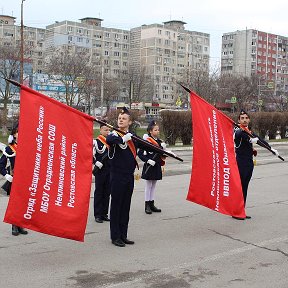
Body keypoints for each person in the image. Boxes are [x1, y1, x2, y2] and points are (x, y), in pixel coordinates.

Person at [106, 107, 148, 247]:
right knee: (116, 206)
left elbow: (144, 146)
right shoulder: (114, 134)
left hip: (129, 177)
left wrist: (162, 150)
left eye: (124, 119)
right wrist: (123, 138)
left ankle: (123, 235)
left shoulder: (132, 136)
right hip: (117, 176)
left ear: (130, 122)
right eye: (119, 118)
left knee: (125, 206)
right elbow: (110, 140)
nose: (121, 120)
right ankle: (115, 236)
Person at [233, 110, 279, 220]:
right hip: (241, 163)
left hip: (249, 163)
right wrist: (250, 138)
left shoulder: (248, 130)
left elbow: (260, 140)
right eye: (242, 118)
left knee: (244, 187)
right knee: (241, 187)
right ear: (239, 120)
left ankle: (240, 210)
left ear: (249, 119)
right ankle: (236, 211)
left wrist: (271, 149)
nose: (244, 120)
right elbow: (239, 135)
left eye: (246, 118)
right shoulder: (238, 130)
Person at [0, 125, 28, 236]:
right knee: (14, 204)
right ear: (14, 135)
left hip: (25, 179)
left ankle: (20, 225)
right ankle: (14, 226)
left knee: (23, 203)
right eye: (17, 132)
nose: (19, 134)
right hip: (14, 179)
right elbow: (1, 165)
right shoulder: (9, 148)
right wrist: (6, 176)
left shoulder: (27, 147)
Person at [138, 120, 166, 214]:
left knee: (154, 186)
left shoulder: (159, 142)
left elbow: (162, 156)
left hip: (156, 165)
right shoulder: (146, 141)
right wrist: (148, 160)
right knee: (148, 185)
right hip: (149, 166)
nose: (158, 131)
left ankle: (152, 204)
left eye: (158, 130)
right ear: (150, 131)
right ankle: (147, 205)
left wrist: (163, 149)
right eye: (155, 130)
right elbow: (140, 154)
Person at [93, 121, 111, 223]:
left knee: (107, 192)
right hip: (100, 170)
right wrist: (96, 163)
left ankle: (104, 213)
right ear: (100, 130)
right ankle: (98, 214)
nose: (107, 132)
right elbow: (90, 155)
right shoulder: (96, 142)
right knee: (99, 192)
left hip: (109, 169)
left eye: (108, 130)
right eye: (105, 130)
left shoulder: (110, 141)